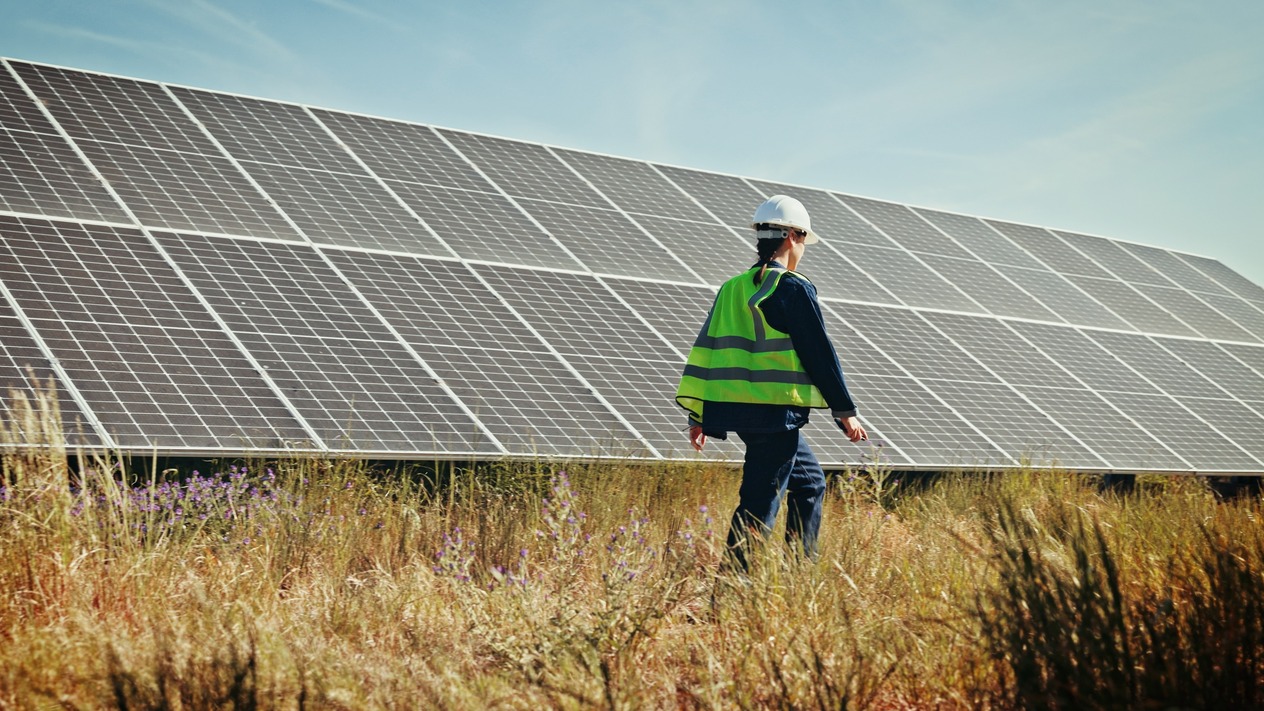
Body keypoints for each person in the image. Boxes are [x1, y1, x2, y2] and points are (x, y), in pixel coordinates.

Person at [676, 194, 867, 571]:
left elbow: (706, 350)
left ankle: (798, 573)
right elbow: (819, 353)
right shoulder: (792, 288)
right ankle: (730, 593)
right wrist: (845, 411)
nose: (803, 250)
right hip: (774, 415)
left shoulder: (733, 287)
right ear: (793, 236)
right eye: (803, 241)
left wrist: (697, 413)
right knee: (760, 502)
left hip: (741, 412)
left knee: (810, 483)